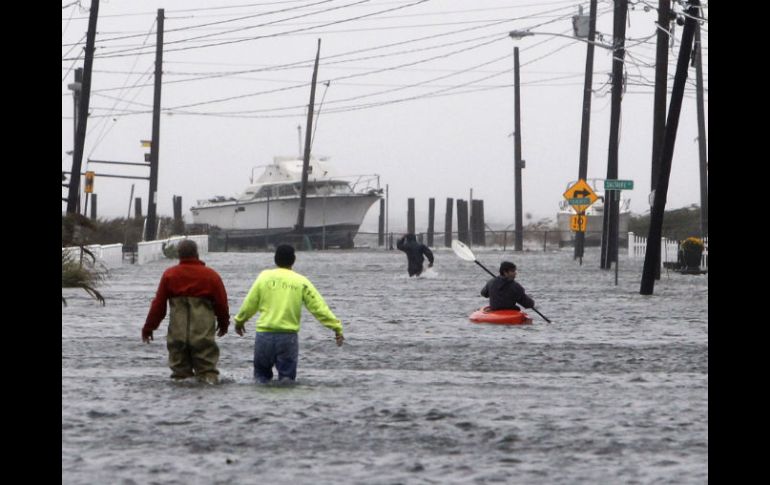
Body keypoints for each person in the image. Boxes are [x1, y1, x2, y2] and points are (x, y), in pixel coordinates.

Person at [233, 244, 344, 383]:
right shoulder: (301, 281)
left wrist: (239, 321)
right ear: (294, 260)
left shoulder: (264, 277)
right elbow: (319, 308)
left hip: (264, 337)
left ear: (275, 259)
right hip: (287, 338)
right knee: (287, 381)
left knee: (260, 379)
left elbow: (250, 303)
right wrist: (336, 327)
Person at [142, 239, 230, 384]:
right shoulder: (211, 276)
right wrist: (224, 323)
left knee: (180, 377)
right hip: (202, 335)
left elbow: (158, 306)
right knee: (208, 374)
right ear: (197, 254)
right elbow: (221, 304)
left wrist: (149, 328)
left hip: (177, 335)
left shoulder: (170, 275)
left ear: (179, 255)